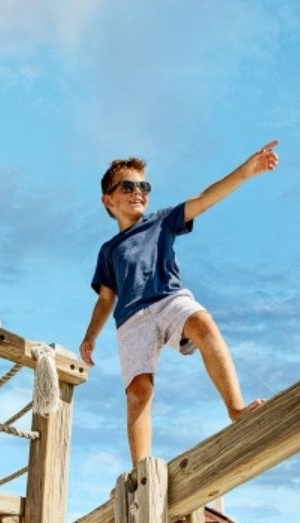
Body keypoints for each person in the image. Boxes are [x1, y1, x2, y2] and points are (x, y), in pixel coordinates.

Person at [80, 140, 280, 465]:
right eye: (128, 186)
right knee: (138, 392)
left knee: (202, 324)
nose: (138, 191)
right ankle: (140, 471)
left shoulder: (161, 221)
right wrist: (90, 336)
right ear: (108, 199)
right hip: (130, 320)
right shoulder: (109, 250)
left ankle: (236, 409)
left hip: (168, 299)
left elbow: (204, 200)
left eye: (144, 186)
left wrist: (246, 171)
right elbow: (106, 299)